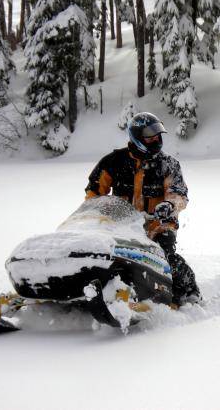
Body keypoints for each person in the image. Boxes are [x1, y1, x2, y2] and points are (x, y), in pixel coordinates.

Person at [85, 112, 201, 305]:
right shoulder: (113, 162)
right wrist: (96, 213)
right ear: (136, 137)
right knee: (101, 255)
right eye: (150, 136)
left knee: (166, 259)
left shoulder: (168, 165)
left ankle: (188, 295)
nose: (156, 139)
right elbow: (94, 193)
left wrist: (169, 205)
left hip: (157, 228)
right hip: (120, 228)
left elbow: (179, 193)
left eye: (158, 134)